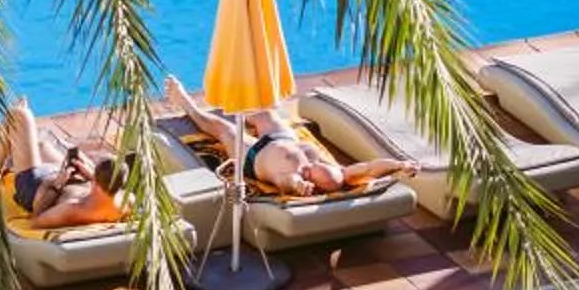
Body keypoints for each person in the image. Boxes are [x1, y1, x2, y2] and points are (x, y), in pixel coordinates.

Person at [165, 78, 418, 198]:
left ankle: (186, 104)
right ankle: (239, 102)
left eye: (308, 175)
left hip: (254, 158)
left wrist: (299, 186)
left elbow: (286, 182)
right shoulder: (339, 173)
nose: (308, 169)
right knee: (268, 112)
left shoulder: (298, 179)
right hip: (281, 137)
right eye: (314, 168)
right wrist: (399, 166)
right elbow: (371, 169)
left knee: (222, 129)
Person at [1, 100, 128, 227]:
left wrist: (57, 185)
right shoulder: (126, 200)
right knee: (42, 146)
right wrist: (88, 174)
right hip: (60, 176)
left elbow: (35, 220)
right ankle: (13, 153)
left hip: (34, 184)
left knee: (19, 115)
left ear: (97, 185)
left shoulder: (73, 209)